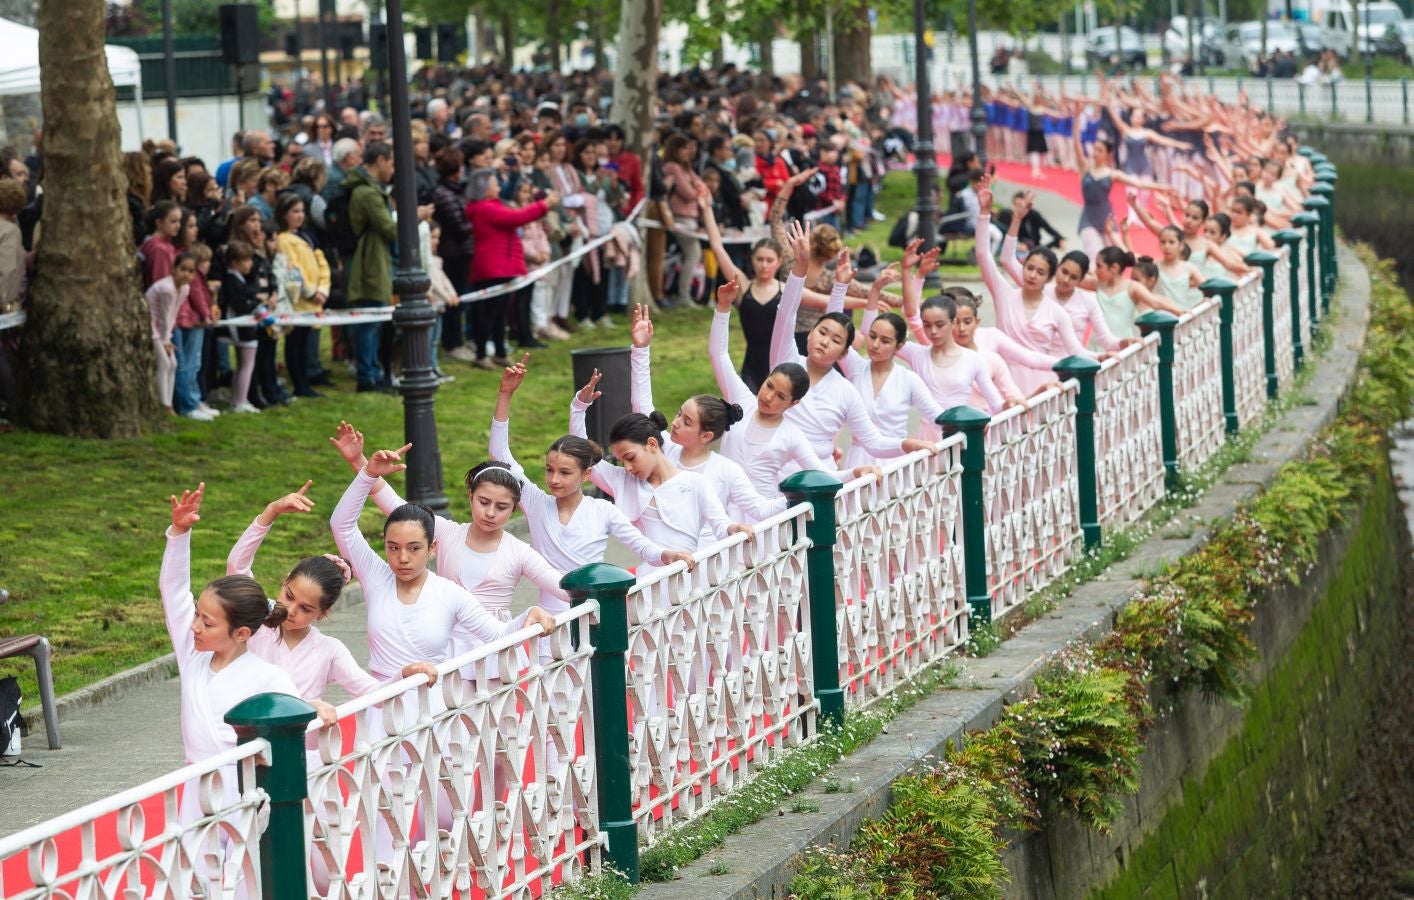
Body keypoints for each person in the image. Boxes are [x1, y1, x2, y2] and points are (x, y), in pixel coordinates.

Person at [225, 482, 436, 713]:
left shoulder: (328, 650)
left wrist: (403, 675)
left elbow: (375, 694)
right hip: (250, 742)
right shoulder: (259, 624)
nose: (291, 610)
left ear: (324, 612)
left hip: (305, 747)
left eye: (306, 608)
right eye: (288, 595)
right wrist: (271, 512)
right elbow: (237, 567)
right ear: (285, 581)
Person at [160, 482, 298, 828]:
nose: (194, 627)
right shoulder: (194, 655)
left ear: (241, 634)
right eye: (195, 615)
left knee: (245, 877)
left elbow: (294, 733)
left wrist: (317, 709)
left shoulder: (269, 678)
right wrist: (179, 533)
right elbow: (173, 590)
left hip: (245, 794)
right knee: (194, 878)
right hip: (196, 793)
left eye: (207, 623)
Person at [769, 221, 926, 467]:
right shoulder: (786, 361)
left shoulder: (846, 390)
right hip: (775, 472)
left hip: (823, 478)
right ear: (809, 333)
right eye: (821, 332)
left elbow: (874, 441)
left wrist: (906, 444)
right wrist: (802, 268)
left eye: (836, 341)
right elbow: (786, 314)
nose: (825, 341)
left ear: (843, 353)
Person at [570, 378, 754, 569]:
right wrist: (579, 407)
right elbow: (581, 453)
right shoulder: (622, 481)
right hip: (649, 585)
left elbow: (721, 524)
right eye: (621, 461)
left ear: (652, 444)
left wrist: (735, 528)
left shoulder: (696, 482)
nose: (628, 467)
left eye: (631, 457)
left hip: (691, 582)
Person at [628, 304, 786, 522]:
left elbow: (760, 509)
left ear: (706, 436)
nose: (675, 423)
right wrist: (641, 349)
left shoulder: (726, 470)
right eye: (679, 414)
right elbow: (641, 405)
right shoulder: (665, 449)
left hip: (711, 553)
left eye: (687, 422)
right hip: (671, 554)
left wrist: (801, 496)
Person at [975, 180, 1095, 392]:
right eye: (1029, 268)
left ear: (1049, 278)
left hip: (1043, 386)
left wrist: (1105, 356)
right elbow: (984, 254)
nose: (1032, 275)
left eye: (1040, 272)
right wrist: (986, 215)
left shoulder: (1057, 312)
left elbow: (1076, 350)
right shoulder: (1004, 294)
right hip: (1006, 382)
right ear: (1023, 266)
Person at [464, 167, 559, 369]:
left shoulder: (491, 205)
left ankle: (499, 351)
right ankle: (481, 355)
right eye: (494, 183)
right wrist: (544, 205)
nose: (499, 186)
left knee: (500, 313)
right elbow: (516, 218)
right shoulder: (485, 208)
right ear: (484, 188)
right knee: (488, 314)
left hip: (501, 267)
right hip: (492, 268)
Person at [697, 190, 785, 392]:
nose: (764, 265)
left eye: (769, 260)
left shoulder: (787, 291)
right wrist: (707, 209)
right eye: (759, 259)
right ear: (752, 260)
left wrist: (866, 299)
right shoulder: (744, 285)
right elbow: (718, 247)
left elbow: (822, 299)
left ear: (779, 262)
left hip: (781, 368)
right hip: (751, 367)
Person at [1071, 114, 1177, 257]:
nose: (1095, 153)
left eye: (1100, 150)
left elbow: (1139, 183)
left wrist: (1162, 187)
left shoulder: (1113, 174)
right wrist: (1077, 118)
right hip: (1088, 218)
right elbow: (1076, 143)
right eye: (1094, 149)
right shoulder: (1085, 168)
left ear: (1108, 155)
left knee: (1114, 257)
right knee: (1093, 256)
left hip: (1107, 216)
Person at [345, 141, 398, 392]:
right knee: (369, 321)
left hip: (375, 260)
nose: (393, 168)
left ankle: (373, 372)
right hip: (369, 263)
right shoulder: (366, 193)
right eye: (391, 162)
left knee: (375, 321)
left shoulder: (370, 190)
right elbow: (388, 228)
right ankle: (367, 376)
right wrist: (414, 217)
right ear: (380, 160)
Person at [274, 193, 331, 398]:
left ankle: (304, 382)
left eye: (302, 211)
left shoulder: (305, 236)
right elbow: (293, 269)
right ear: (284, 214)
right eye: (294, 211)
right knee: (295, 342)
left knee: (305, 343)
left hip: (314, 300)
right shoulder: (284, 240)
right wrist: (310, 291)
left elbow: (321, 262)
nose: (300, 216)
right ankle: (299, 383)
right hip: (299, 301)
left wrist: (323, 289)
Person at [430, 146, 474, 362]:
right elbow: (459, 228)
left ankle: (458, 340)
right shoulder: (444, 195)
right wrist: (474, 220)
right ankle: (452, 344)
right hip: (453, 253)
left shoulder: (455, 191)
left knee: (460, 299)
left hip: (461, 252)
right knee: (453, 300)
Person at [1092, 246, 1185, 339]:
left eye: (1099, 266)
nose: (1095, 270)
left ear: (1114, 267)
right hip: (1096, 342)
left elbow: (1155, 302)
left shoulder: (1132, 287)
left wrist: (1179, 312)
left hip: (1123, 341)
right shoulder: (1097, 284)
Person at [147, 252, 198, 418]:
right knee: (164, 363)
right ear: (174, 269)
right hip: (151, 326)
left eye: (191, 271)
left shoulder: (184, 288)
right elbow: (163, 315)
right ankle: (165, 405)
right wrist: (165, 340)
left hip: (164, 330)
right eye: (183, 269)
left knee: (174, 364)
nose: (186, 274)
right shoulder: (167, 288)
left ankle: (169, 405)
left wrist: (167, 337)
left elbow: (173, 314)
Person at [661, 133, 705, 309]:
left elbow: (702, 188)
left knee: (688, 255)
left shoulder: (687, 168)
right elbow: (688, 192)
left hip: (692, 217)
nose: (689, 151)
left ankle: (679, 292)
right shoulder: (672, 167)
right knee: (694, 253)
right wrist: (698, 192)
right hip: (680, 217)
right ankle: (683, 295)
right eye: (685, 148)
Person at [218, 240, 262, 414]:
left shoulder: (237, 279)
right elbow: (241, 305)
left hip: (241, 326)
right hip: (240, 328)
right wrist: (256, 304)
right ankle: (240, 400)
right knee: (246, 364)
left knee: (243, 364)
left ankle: (237, 399)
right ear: (235, 262)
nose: (250, 264)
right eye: (247, 260)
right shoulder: (232, 280)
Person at [141, 200, 183, 287]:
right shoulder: (159, 249)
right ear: (159, 223)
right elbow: (162, 286)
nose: (178, 225)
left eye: (179, 221)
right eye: (173, 221)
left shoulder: (165, 244)